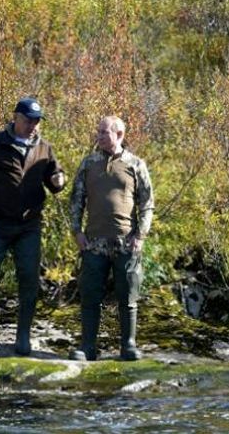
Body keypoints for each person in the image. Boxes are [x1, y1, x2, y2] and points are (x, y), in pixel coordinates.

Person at [0, 97, 66, 355]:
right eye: (28, 120)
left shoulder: (45, 148)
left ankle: (23, 336)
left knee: (29, 279)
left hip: (29, 225)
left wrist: (59, 180)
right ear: (15, 118)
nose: (33, 125)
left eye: (36, 121)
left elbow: (55, 180)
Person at [69, 115, 154, 361]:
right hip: (93, 243)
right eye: (98, 131)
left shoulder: (136, 164)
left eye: (104, 132)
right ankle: (87, 347)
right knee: (90, 295)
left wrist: (141, 235)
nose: (99, 135)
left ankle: (128, 346)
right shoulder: (89, 163)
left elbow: (147, 204)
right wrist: (77, 232)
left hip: (126, 242)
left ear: (119, 135)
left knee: (128, 296)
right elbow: (76, 200)